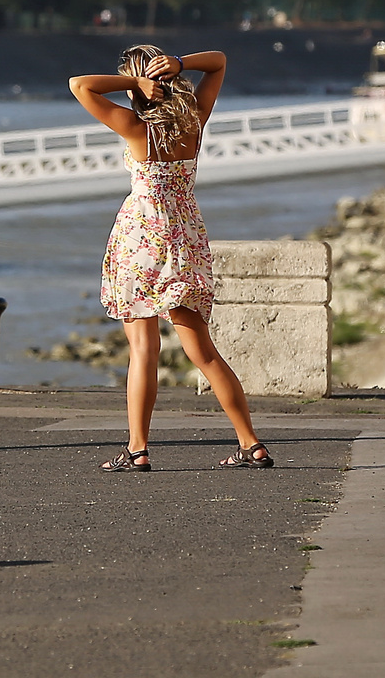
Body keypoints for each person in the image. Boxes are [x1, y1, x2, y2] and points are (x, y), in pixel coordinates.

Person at [69, 46, 272, 472]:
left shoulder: (134, 127)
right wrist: (179, 64)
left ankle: (138, 449)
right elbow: (218, 60)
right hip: (185, 241)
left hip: (142, 241)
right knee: (204, 352)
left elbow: (80, 85)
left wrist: (132, 83)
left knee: (143, 348)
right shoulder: (194, 121)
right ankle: (252, 444)